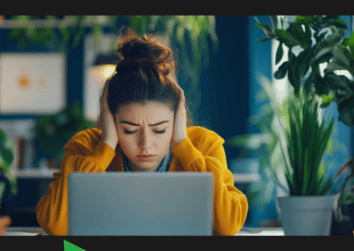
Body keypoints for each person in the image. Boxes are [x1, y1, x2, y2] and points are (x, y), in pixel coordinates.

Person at [36, 28, 248, 236]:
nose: (145, 144)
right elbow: (56, 227)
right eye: (129, 130)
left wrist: (183, 144)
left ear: (177, 120)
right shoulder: (86, 147)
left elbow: (228, 226)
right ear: (111, 119)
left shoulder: (205, 145)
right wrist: (106, 145)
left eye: (160, 130)